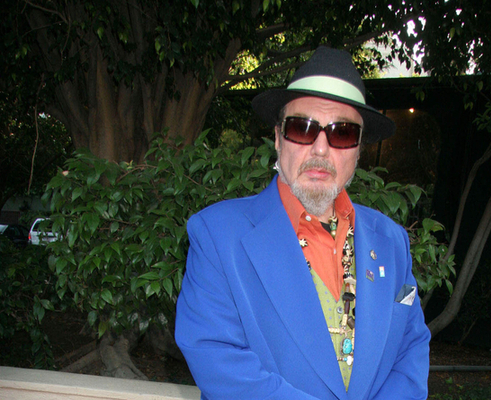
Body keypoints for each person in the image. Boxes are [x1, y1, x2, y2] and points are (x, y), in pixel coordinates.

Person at [175, 46, 430, 400]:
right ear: (278, 138)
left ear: (358, 150)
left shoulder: (393, 242)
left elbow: (411, 349)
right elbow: (218, 360)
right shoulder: (217, 235)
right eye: (302, 127)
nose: (321, 149)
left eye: (342, 133)